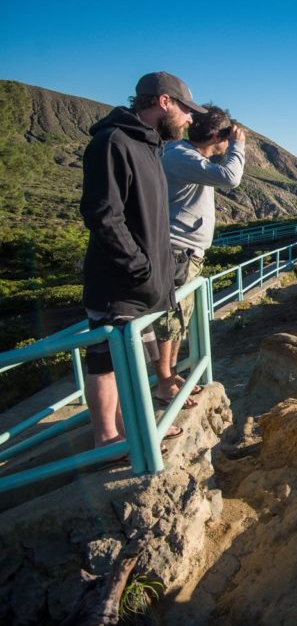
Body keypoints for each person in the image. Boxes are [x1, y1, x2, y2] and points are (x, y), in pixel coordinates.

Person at [80, 72, 207, 448]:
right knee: (106, 363)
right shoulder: (112, 142)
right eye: (185, 109)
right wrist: (140, 269)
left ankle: (134, 430)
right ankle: (109, 440)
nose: (189, 119)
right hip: (120, 283)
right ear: (163, 102)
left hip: (142, 283)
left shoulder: (148, 145)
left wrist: (155, 273)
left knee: (130, 361)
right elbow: (103, 214)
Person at [153, 105, 245, 405]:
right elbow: (231, 177)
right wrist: (238, 146)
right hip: (176, 251)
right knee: (170, 319)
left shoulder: (186, 155)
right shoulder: (181, 155)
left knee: (180, 317)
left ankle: (171, 376)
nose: (229, 142)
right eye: (227, 136)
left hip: (185, 254)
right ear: (217, 135)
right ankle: (164, 383)